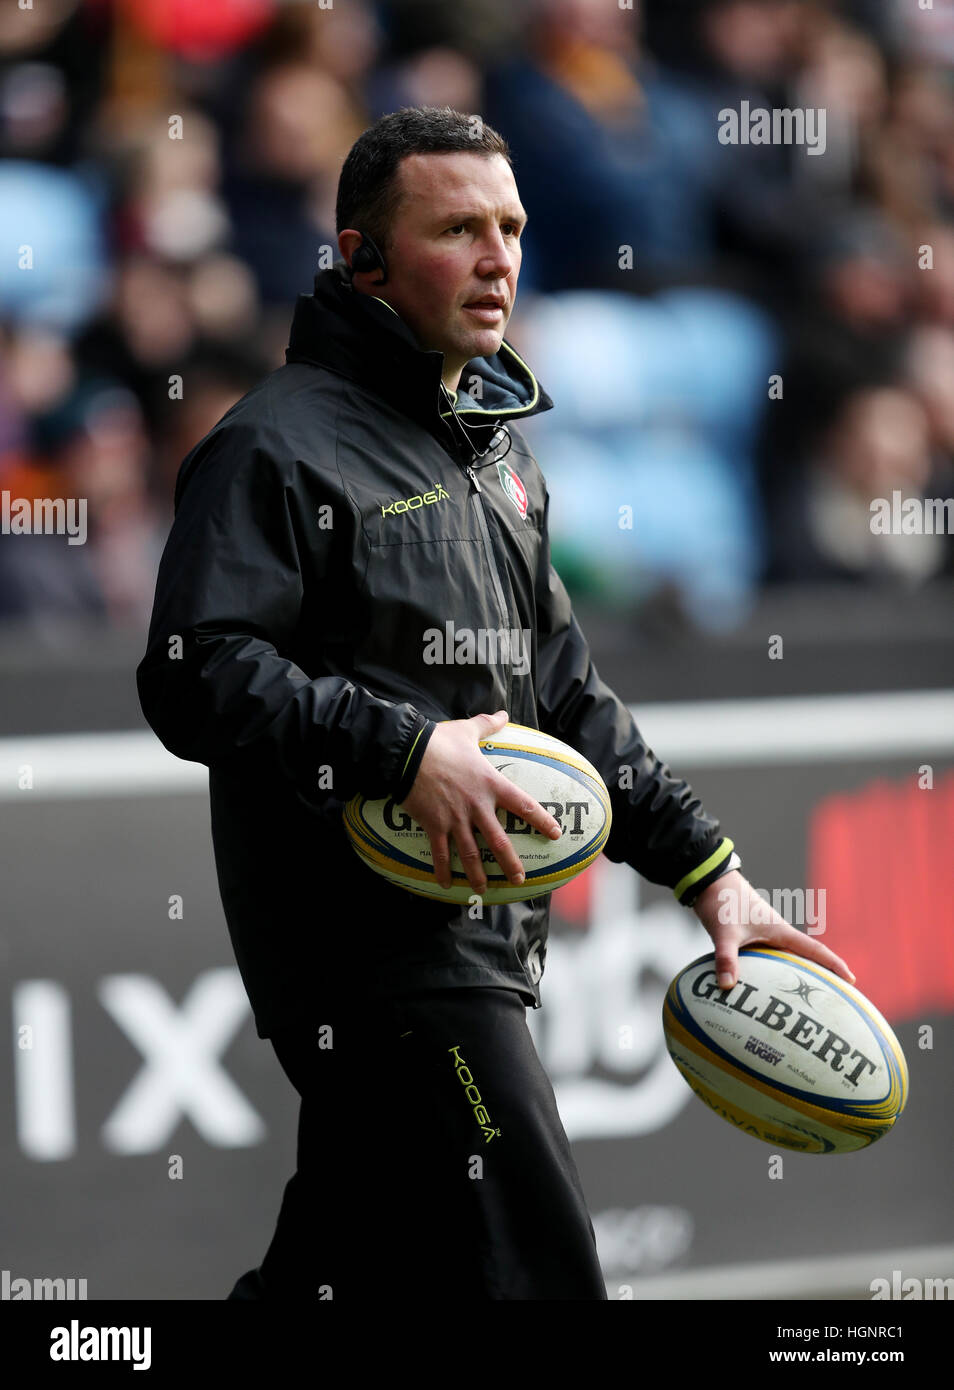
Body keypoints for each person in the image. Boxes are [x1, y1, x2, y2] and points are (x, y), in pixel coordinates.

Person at [136, 106, 856, 1302]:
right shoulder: (273, 448)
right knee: (541, 1267)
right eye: (457, 228)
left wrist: (709, 872)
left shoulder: (498, 458)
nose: (498, 257)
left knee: (348, 1271)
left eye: (511, 228)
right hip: (377, 957)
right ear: (362, 259)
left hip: (482, 938)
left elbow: (567, 697)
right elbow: (190, 669)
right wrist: (402, 750)